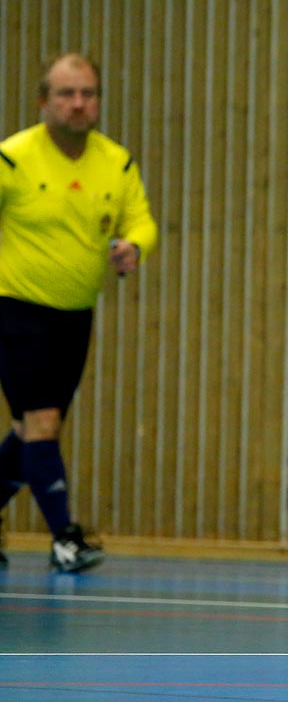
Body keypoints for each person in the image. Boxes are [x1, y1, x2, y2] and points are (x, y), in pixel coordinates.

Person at [0, 53, 158, 572]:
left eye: (88, 94)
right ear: (44, 100)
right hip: (16, 308)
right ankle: (65, 538)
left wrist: (134, 245)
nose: (78, 104)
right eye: (66, 94)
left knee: (31, 432)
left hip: (75, 314)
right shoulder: (14, 159)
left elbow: (141, 220)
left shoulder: (116, 162)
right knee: (42, 423)